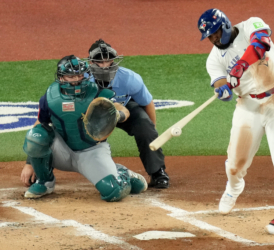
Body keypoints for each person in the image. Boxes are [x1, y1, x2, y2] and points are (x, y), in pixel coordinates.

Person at [198, 9, 274, 235]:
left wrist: (241, 65)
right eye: (209, 37)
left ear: (224, 25)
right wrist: (223, 90)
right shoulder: (213, 59)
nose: (213, 39)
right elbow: (221, 83)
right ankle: (234, 187)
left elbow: (261, 44)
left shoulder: (251, 24)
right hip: (248, 106)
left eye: (215, 33)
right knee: (234, 165)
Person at [21, 55, 147, 201]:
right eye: (71, 76)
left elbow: (122, 109)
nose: (77, 79)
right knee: (36, 136)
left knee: (113, 192)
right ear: (61, 77)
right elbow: (40, 124)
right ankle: (45, 182)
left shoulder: (97, 92)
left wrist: (119, 115)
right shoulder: (50, 97)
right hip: (62, 150)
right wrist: (29, 164)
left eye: (80, 75)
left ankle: (122, 173)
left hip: (91, 152)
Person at [86, 39, 170, 189]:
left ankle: (158, 172)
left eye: (108, 60)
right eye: (100, 61)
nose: (105, 65)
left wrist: (152, 132)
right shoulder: (83, 80)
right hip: (93, 113)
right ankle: (44, 173)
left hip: (125, 109)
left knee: (146, 127)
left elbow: (147, 103)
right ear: (91, 62)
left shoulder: (129, 78)